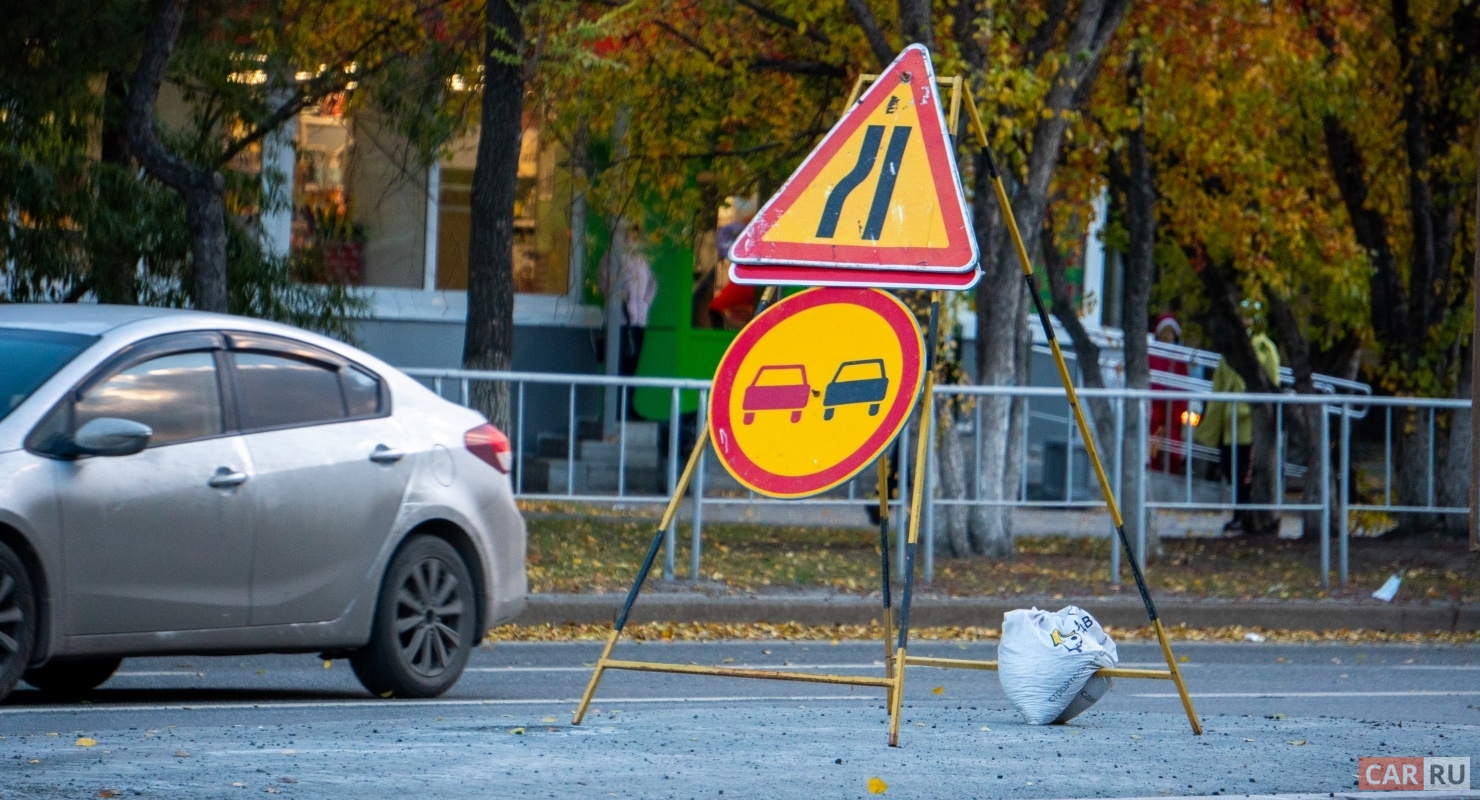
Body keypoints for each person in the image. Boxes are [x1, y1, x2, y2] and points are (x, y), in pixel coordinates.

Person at [1195, 299, 1280, 533]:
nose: (1244, 321)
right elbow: (1219, 387)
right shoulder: (1230, 352)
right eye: (1242, 316)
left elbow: (1272, 384)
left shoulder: (1265, 350)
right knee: (1230, 469)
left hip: (1250, 426)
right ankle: (1241, 514)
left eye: (1249, 316)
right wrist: (1212, 421)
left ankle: (1244, 516)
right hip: (1228, 426)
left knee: (1247, 474)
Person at [1147, 314, 1189, 473]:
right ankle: (1155, 469)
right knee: (1155, 446)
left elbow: (1183, 383)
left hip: (1175, 410)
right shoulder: (1152, 354)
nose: (1168, 335)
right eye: (1165, 331)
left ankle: (1172, 471)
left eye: (1171, 331)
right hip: (1156, 409)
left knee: (1173, 447)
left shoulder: (1179, 356)